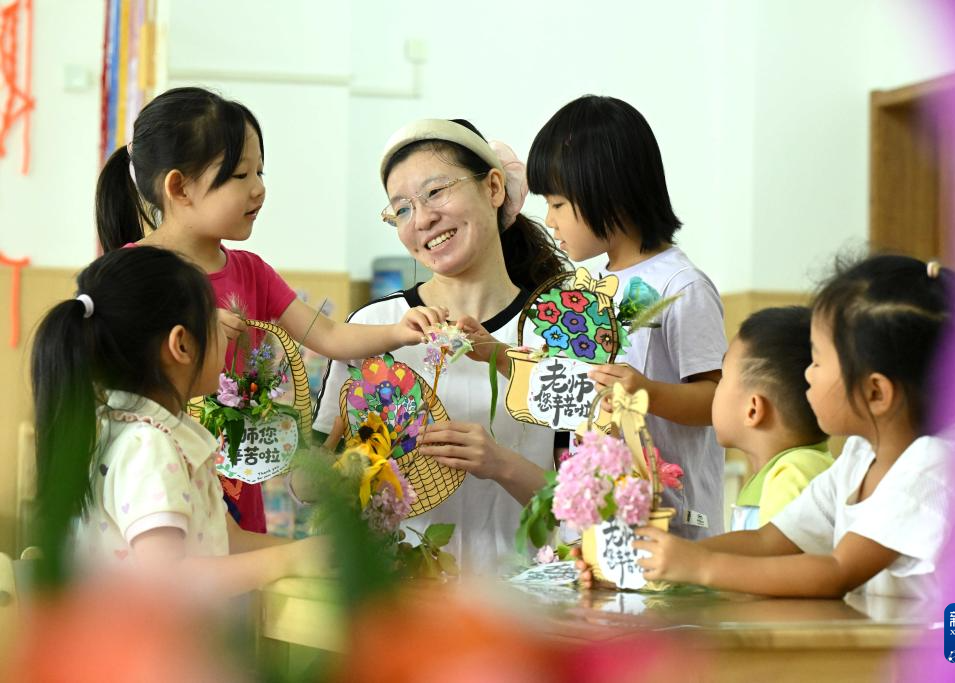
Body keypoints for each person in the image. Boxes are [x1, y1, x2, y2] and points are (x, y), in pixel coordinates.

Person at [95, 87, 446, 532]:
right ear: (179, 187)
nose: (259, 188)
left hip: (239, 478)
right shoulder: (129, 276)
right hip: (156, 480)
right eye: (240, 174)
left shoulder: (252, 272)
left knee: (244, 564)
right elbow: (106, 383)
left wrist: (399, 330)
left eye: (260, 171)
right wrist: (197, 330)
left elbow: (330, 335)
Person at [624, 255, 955, 598]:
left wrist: (701, 566)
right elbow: (770, 540)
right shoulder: (859, 457)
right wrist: (658, 557)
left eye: (818, 361)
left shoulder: (930, 465)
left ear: (875, 392)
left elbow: (837, 571)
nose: (808, 374)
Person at [307, 118, 571, 574]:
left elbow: (586, 511)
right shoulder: (373, 328)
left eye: (435, 192)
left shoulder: (556, 332)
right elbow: (312, 483)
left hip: (525, 598)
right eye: (402, 209)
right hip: (399, 596)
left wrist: (501, 464)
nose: (422, 219)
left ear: (493, 188)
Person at [31, 247, 332, 594]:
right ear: (182, 346)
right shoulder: (149, 447)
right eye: (215, 324)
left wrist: (311, 553)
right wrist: (289, 560)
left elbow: (228, 541)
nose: (226, 339)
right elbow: (167, 578)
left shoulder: (143, 431)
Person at [527, 95, 727, 538]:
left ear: (607, 194)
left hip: (671, 532)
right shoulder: (590, 286)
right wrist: (500, 356)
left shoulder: (681, 286)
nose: (549, 220)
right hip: (598, 526)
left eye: (557, 204)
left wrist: (648, 392)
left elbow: (717, 402)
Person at [711, 306, 833, 530]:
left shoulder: (793, 476)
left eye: (722, 377)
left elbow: (779, 552)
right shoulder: (789, 470)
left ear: (753, 410)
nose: (715, 390)